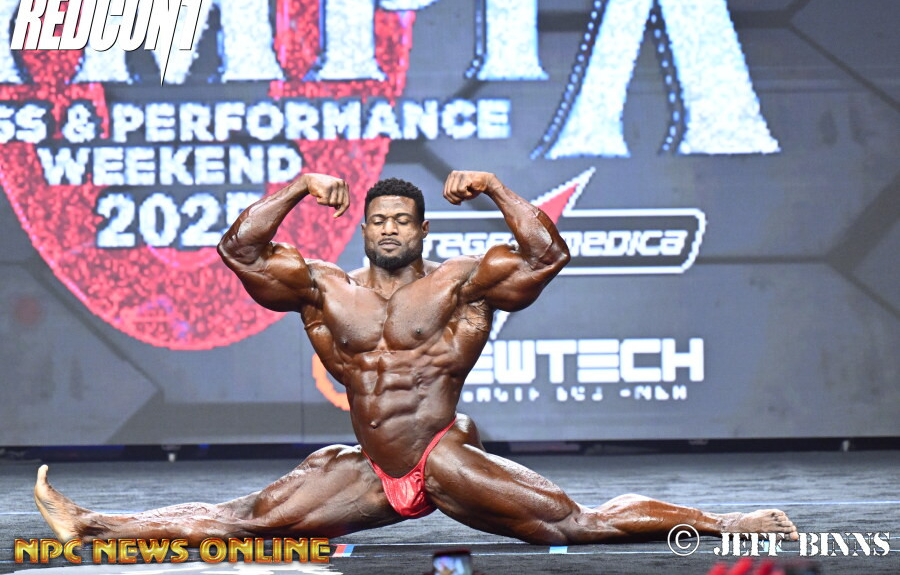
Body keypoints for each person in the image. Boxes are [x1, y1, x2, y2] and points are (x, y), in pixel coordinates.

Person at [34, 171, 798, 545]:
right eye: (380, 221)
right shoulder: (325, 290)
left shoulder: (460, 286)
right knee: (249, 521)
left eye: (403, 220)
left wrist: (494, 187)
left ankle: (725, 522)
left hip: (441, 458)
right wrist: (299, 186)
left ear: (422, 229)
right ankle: (92, 524)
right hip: (371, 470)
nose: (391, 229)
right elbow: (240, 249)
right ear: (364, 228)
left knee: (575, 525)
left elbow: (548, 254)